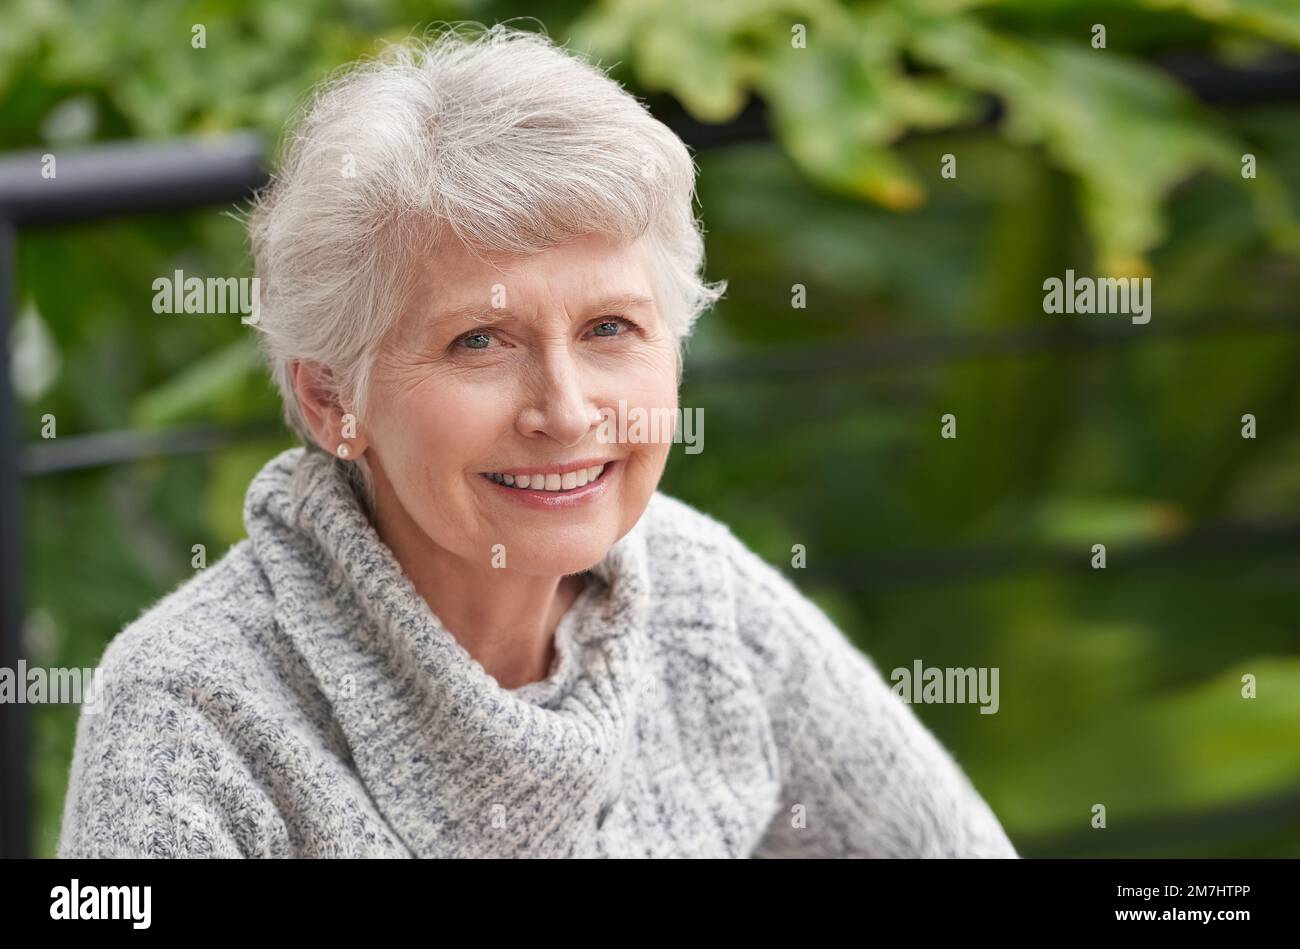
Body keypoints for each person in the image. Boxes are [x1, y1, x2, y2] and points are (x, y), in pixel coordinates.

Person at [57, 23, 1017, 858]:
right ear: (328, 396)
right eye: (479, 341)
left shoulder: (697, 596)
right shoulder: (190, 712)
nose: (563, 411)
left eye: (611, 330)